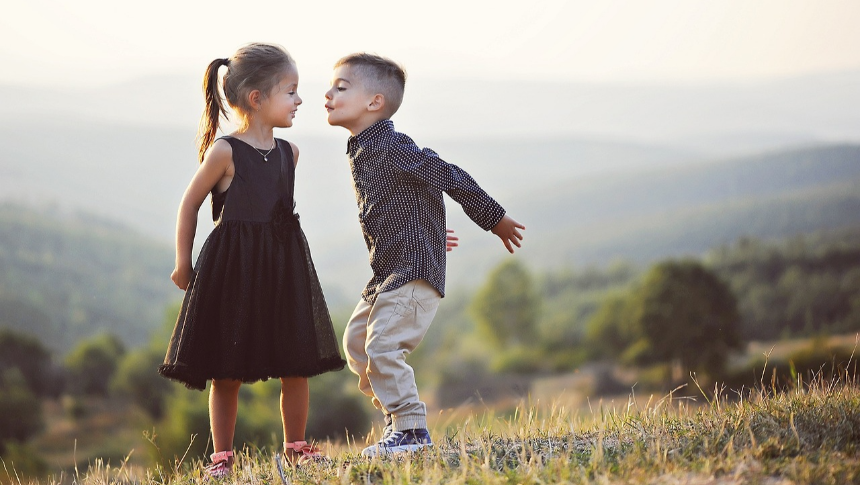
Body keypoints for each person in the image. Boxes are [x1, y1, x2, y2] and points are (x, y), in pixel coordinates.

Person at [324, 53, 525, 457]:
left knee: (382, 347)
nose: (327, 95)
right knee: (358, 346)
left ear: (374, 102)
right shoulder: (362, 147)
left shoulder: (393, 146)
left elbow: (446, 174)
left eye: (341, 87)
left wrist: (494, 217)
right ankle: (398, 421)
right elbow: (402, 201)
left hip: (412, 274)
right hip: (388, 271)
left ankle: (412, 429)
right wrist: (427, 231)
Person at [158, 43, 345, 477]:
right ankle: (222, 456)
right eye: (291, 91)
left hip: (282, 269)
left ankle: (296, 446)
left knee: (295, 361)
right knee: (227, 368)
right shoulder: (225, 152)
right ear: (257, 98)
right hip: (233, 270)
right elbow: (189, 205)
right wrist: (182, 263)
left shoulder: (289, 153)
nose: (300, 101)